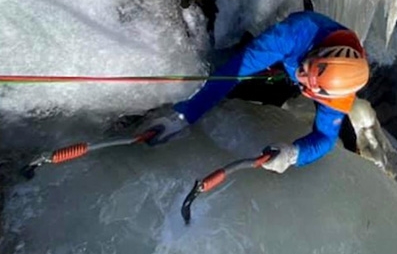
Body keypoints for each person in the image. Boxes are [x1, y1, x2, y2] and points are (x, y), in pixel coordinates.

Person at [143, 10, 370, 173]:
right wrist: (184, 115)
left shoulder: (338, 94)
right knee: (244, 87)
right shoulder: (292, 35)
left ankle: (353, 145)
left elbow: (325, 138)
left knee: (342, 131)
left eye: (307, 79)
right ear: (319, 51)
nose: (302, 75)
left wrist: (294, 154)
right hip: (282, 59)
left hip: (305, 79)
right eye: (306, 66)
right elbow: (232, 72)